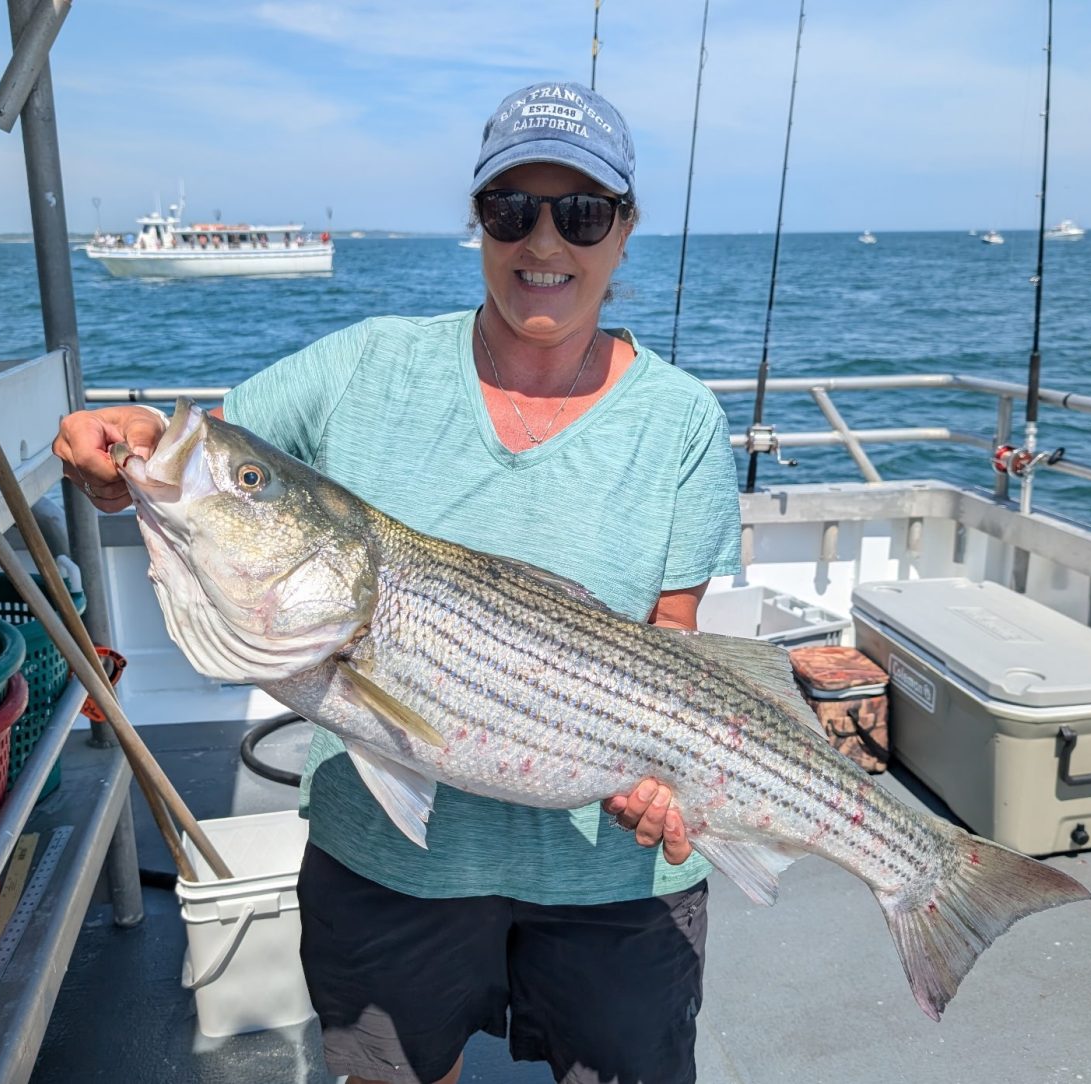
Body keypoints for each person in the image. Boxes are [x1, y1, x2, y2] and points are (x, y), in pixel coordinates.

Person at [53, 80, 742, 1084]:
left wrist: (671, 772)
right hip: (384, 862)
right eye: (513, 208)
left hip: (610, 874)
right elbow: (199, 451)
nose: (544, 242)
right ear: (479, 221)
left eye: (581, 212)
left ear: (625, 230)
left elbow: (670, 636)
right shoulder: (365, 365)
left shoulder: (684, 421)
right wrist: (120, 445)